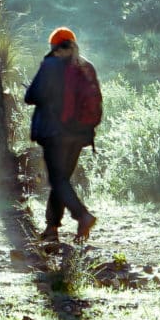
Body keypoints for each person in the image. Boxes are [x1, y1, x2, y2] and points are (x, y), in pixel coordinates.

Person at [24, 27, 100, 244]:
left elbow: (31, 96)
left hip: (54, 133)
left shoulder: (50, 65)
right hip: (79, 135)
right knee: (62, 180)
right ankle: (51, 229)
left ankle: (82, 216)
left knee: (58, 180)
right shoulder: (86, 67)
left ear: (54, 46)